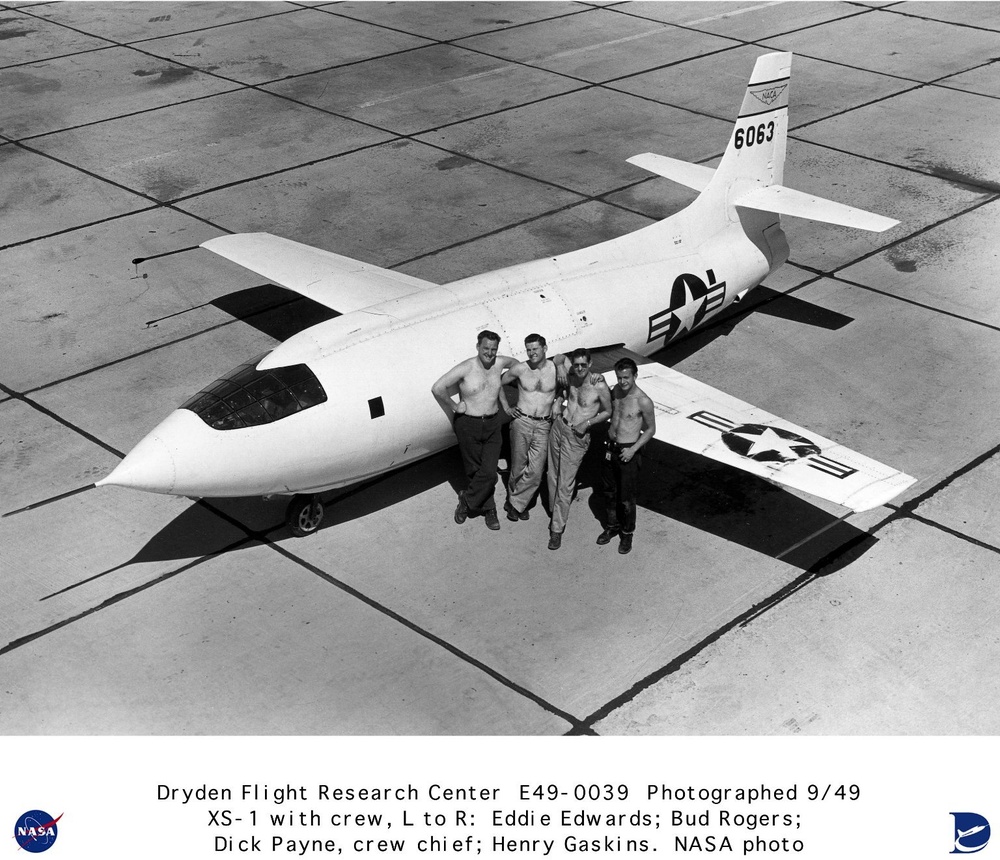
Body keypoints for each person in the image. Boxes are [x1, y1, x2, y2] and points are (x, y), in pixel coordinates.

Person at [432, 330, 517, 530]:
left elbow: (518, 365)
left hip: (492, 423)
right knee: (474, 471)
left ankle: (467, 501)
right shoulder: (466, 367)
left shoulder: (500, 363)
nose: (489, 353)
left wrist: (558, 361)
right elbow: (438, 387)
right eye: (486, 348)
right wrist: (454, 407)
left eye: (493, 349)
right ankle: (490, 509)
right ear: (478, 347)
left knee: (488, 472)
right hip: (468, 424)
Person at [546, 348, 611, 550]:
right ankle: (554, 509)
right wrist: (558, 400)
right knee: (553, 474)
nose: (580, 368)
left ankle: (557, 529)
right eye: (576, 364)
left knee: (566, 483)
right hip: (559, 427)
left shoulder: (598, 385)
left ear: (590, 364)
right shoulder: (571, 374)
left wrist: (588, 423)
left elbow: (608, 410)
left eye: (584, 364)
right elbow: (558, 357)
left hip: (577, 435)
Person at [500, 334, 564, 523]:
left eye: (535, 349)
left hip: (544, 424)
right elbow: (497, 383)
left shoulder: (555, 368)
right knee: (518, 466)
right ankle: (519, 503)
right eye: (528, 349)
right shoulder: (520, 369)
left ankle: (515, 503)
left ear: (545, 348)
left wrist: (558, 400)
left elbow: (566, 374)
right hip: (522, 421)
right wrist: (506, 407)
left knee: (536, 470)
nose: (531, 353)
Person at [598, 357, 656, 554]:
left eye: (626, 378)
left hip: (627, 451)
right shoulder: (616, 391)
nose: (623, 382)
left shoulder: (643, 401)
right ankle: (612, 527)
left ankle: (627, 534)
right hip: (610, 449)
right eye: (619, 377)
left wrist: (633, 450)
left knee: (626, 498)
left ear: (635, 376)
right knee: (609, 492)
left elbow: (650, 430)